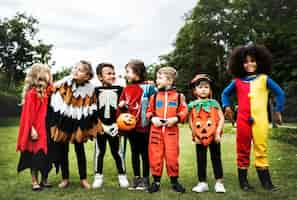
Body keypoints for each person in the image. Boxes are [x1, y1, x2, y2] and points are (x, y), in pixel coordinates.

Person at [221, 44, 285, 191]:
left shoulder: (264, 79)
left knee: (261, 148)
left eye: (252, 60)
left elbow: (280, 93)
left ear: (259, 61)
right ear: (240, 64)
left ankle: (266, 182)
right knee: (242, 149)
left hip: (260, 120)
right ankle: (243, 182)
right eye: (245, 61)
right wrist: (227, 106)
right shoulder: (236, 81)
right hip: (242, 120)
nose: (249, 64)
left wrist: (277, 110)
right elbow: (225, 94)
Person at [47, 60, 103, 189]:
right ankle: (65, 178)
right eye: (75, 68)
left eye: (80, 70)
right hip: (64, 119)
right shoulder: (64, 83)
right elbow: (53, 96)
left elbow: (92, 105)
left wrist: (89, 121)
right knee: (63, 150)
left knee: (80, 149)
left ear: (88, 75)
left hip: (80, 120)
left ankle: (83, 179)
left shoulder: (90, 89)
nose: (75, 71)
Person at [146, 67, 188, 193]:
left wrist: (175, 119)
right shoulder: (154, 97)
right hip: (155, 132)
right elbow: (148, 111)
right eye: (156, 77)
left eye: (159, 78)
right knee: (155, 156)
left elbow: (184, 111)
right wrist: (153, 118)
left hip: (171, 132)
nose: (156, 80)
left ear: (169, 81)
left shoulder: (179, 97)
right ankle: (156, 182)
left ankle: (174, 182)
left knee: (172, 157)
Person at [118, 59, 156, 190]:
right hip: (130, 127)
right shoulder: (126, 89)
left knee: (145, 153)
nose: (126, 74)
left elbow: (155, 102)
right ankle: (136, 178)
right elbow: (121, 105)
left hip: (144, 127)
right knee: (134, 152)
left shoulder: (149, 87)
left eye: (128, 71)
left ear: (137, 72)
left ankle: (145, 180)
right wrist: (121, 105)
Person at [92, 63, 129, 188]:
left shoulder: (120, 90)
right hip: (100, 127)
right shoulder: (95, 91)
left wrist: (118, 125)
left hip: (115, 127)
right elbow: (93, 110)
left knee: (118, 152)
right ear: (100, 77)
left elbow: (124, 110)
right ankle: (98, 176)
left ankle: (122, 175)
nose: (112, 75)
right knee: (99, 152)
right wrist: (100, 125)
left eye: (113, 73)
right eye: (108, 73)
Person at [17, 63, 52, 191]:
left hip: (47, 129)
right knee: (35, 156)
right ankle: (34, 181)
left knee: (47, 157)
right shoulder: (32, 94)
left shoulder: (47, 92)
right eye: (45, 75)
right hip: (36, 130)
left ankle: (44, 179)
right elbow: (27, 115)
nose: (48, 77)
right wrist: (32, 129)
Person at [188, 74, 226, 193]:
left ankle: (219, 182)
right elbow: (191, 122)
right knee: (201, 159)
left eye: (206, 87)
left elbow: (221, 118)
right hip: (200, 136)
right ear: (195, 90)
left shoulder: (214, 103)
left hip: (214, 135)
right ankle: (202, 182)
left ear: (210, 89)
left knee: (216, 158)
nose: (203, 89)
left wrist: (218, 132)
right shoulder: (192, 105)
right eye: (200, 87)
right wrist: (195, 135)